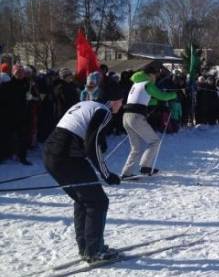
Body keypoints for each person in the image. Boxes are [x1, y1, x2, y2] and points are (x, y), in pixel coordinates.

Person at [43, 90, 123, 263]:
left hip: (51, 154)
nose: (121, 106)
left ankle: (86, 247)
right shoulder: (105, 112)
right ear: (114, 101)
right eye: (121, 102)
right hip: (68, 158)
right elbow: (91, 147)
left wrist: (101, 143)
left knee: (84, 200)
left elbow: (85, 135)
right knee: (98, 201)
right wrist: (107, 174)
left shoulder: (86, 105)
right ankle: (94, 251)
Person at [120, 65, 177, 178]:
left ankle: (127, 173)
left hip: (126, 117)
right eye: (155, 75)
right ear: (150, 74)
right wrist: (174, 94)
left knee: (136, 147)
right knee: (154, 141)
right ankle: (145, 166)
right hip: (136, 117)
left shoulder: (136, 84)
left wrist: (154, 102)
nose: (155, 77)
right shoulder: (148, 84)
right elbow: (162, 96)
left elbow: (145, 100)